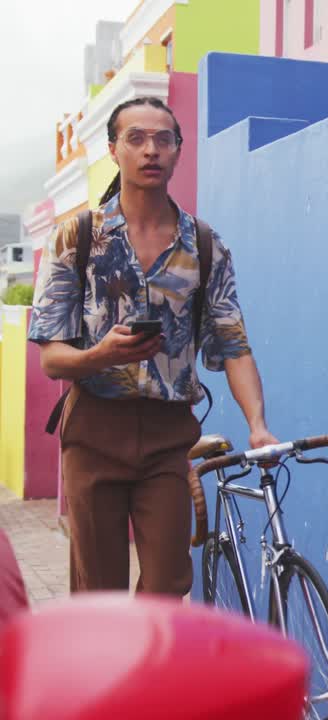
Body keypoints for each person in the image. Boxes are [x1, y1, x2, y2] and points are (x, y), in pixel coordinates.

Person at [27, 97, 277, 597]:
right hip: (94, 427)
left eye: (163, 139)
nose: (151, 150)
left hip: (167, 437)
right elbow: (52, 358)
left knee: (167, 584)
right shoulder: (76, 239)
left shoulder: (205, 247)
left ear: (179, 151)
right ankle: (108, 674)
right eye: (136, 138)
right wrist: (101, 356)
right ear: (113, 149)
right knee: (99, 593)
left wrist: (258, 426)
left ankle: (149, 672)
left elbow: (233, 344)